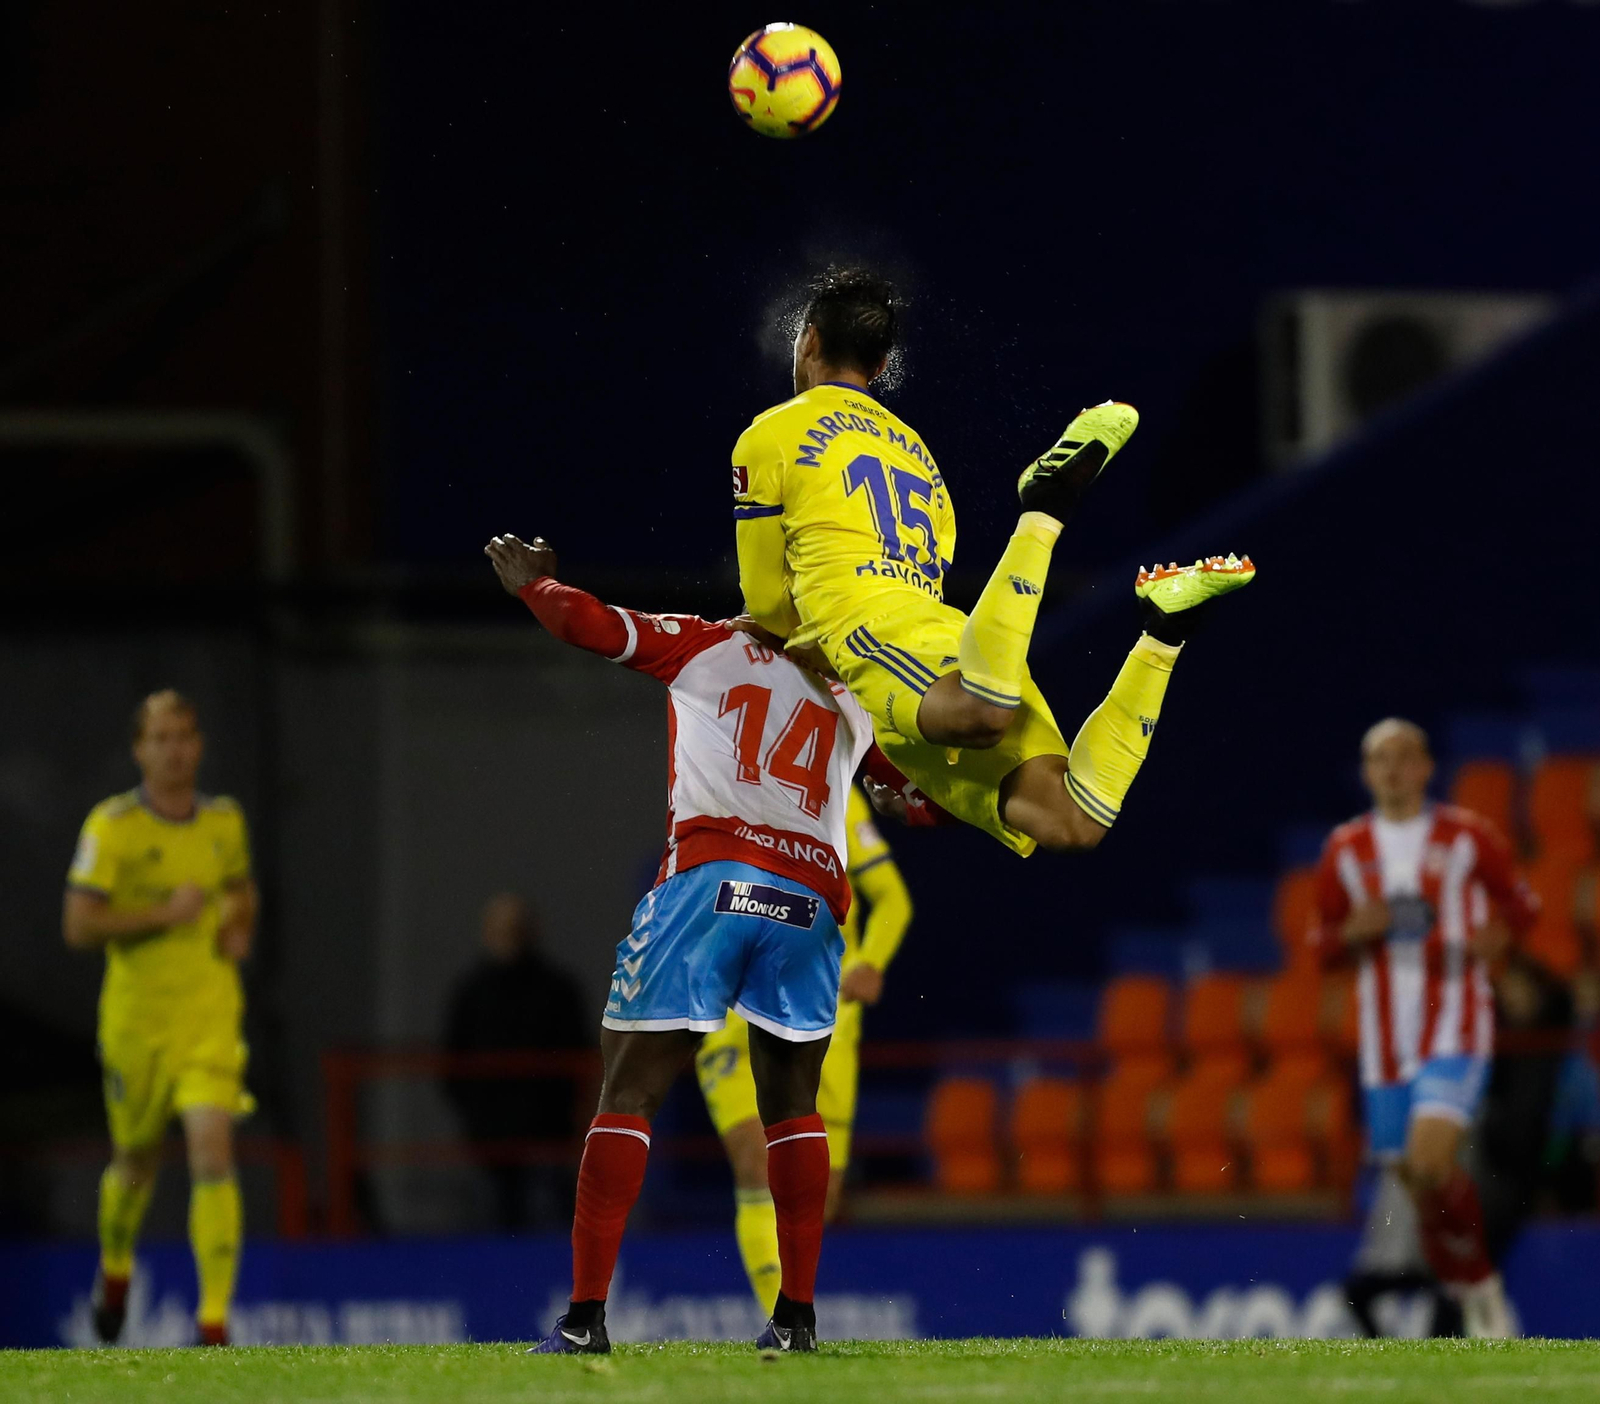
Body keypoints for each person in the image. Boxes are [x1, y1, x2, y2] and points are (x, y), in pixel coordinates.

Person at [486, 530, 917, 1354]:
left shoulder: (706, 645)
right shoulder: (851, 698)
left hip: (713, 882)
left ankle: (584, 1319)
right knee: (792, 1106)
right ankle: (796, 1319)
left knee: (630, 1084)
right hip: (810, 905)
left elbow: (594, 626)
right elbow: (908, 792)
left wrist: (534, 588)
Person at [732, 267, 1254, 860]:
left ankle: (1043, 512)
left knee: (983, 713)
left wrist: (790, 637)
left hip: (877, 636)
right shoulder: (917, 452)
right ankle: (1164, 632)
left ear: (810, 341)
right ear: (879, 368)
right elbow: (930, 568)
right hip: (954, 642)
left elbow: (767, 600)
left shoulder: (770, 433)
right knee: (1073, 820)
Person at [1311, 717, 1538, 1338]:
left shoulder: (1468, 837)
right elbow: (1321, 945)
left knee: (1430, 1159)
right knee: (1420, 1181)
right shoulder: (1345, 850)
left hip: (1456, 1021)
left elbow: (1521, 904)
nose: (1391, 768)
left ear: (1425, 768)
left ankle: (1480, 1286)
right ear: (1365, 772)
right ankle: (1468, 1287)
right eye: (1378, 758)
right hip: (1386, 1044)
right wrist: (1351, 932)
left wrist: (1499, 942)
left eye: (1403, 756)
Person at [63, 691, 257, 1347]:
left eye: (185, 736)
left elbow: (240, 890)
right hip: (137, 1024)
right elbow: (79, 923)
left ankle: (213, 1326)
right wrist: (159, 916)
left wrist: (239, 925)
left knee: (212, 1150)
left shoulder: (224, 822)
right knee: (135, 1163)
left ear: (198, 746)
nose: (175, 750)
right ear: (140, 749)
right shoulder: (112, 826)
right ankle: (115, 1270)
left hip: (207, 1013)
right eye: (161, 738)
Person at [695, 782, 913, 1313]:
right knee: (755, 1159)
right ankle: (784, 1322)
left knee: (817, 1192)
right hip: (736, 1006)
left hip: (827, 1015)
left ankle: (789, 1311)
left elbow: (893, 900)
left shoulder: (841, 800)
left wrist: (871, 962)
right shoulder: (721, 787)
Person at [443, 893, 589, 1230]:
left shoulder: (558, 990)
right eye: (503, 929)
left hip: (548, 1136)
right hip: (489, 1139)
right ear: (486, 932)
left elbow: (577, 1057)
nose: (511, 936)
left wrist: (563, 1113)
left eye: (517, 928)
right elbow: (452, 1061)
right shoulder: (470, 992)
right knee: (491, 1230)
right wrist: (476, 1115)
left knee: (552, 1233)